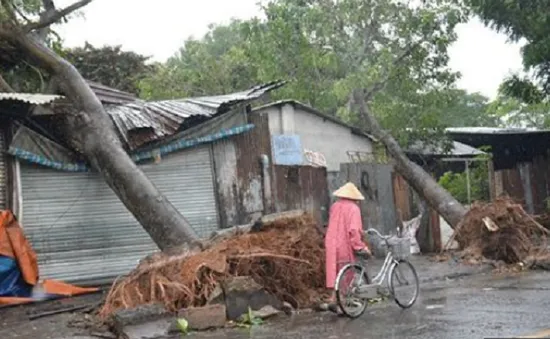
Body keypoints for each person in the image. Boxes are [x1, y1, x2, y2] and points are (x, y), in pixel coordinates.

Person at [323, 182, 371, 311]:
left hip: (331, 241)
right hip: (344, 243)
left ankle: (334, 299)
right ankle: (342, 301)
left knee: (335, 271)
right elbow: (354, 230)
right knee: (346, 271)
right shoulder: (353, 208)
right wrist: (360, 246)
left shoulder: (335, 206)